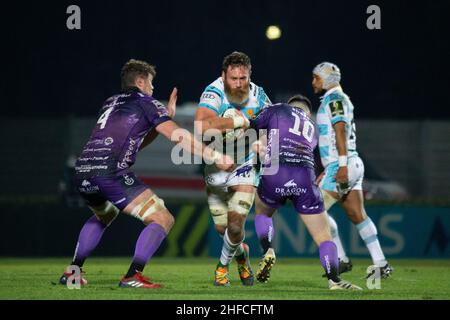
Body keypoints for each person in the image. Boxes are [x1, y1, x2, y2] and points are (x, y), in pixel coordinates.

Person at [59, 59, 233, 289]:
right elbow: (176, 135)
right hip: (109, 171)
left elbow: (133, 143)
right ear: (140, 81)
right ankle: (133, 275)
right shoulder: (147, 102)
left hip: (82, 171)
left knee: (105, 214)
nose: (153, 89)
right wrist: (215, 156)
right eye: (151, 84)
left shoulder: (110, 103)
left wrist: (160, 120)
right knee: (163, 218)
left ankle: (73, 272)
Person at [251, 95, 361, 289]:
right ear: (307, 113)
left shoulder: (278, 109)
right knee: (324, 236)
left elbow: (253, 125)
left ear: (288, 105)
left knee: (262, 212)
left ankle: (267, 250)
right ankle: (334, 280)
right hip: (304, 177)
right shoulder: (312, 130)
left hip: (276, 172)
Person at [195, 51, 271, 286]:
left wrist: (263, 142)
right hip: (216, 164)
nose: (238, 84)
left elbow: (270, 125)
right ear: (223, 76)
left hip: (245, 163)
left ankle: (221, 269)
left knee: (236, 224)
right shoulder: (213, 92)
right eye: (233, 79)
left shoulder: (259, 95)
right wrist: (236, 121)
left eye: (243, 78)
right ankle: (241, 256)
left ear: (250, 75)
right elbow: (202, 127)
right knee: (223, 228)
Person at [312, 62, 393, 278]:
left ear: (327, 80)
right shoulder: (336, 98)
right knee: (357, 214)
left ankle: (340, 259)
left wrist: (341, 166)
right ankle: (381, 263)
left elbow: (340, 131)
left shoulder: (334, 99)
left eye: (316, 77)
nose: (313, 82)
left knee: (313, 210)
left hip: (344, 164)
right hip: (351, 162)